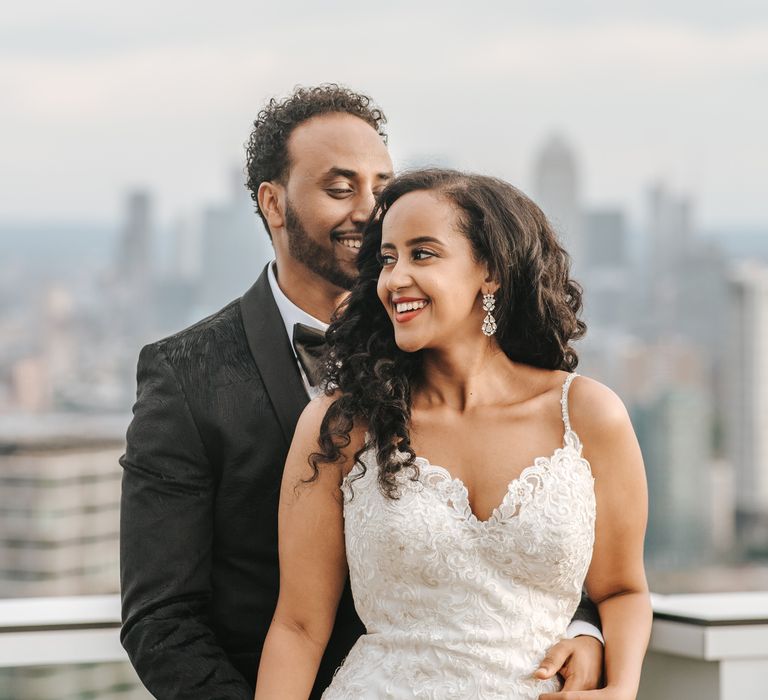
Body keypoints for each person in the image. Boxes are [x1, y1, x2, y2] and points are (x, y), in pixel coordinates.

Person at [120, 85, 603, 699]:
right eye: (340, 188)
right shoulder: (186, 374)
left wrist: (588, 630)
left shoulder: (459, 351)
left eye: (382, 187)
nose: (370, 212)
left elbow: (544, 527)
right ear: (273, 202)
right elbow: (161, 621)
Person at [255, 169, 651, 699]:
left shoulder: (587, 415)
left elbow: (623, 589)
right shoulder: (343, 425)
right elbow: (298, 627)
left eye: (423, 254)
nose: (395, 279)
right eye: (388, 258)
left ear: (489, 272)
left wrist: (620, 688)